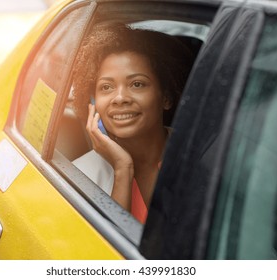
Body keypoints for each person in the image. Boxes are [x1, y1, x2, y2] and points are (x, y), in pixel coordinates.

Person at [72, 23, 194, 223]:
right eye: (106, 87)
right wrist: (123, 169)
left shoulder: (196, 155)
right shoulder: (80, 175)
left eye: (137, 84)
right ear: (93, 101)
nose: (120, 98)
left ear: (166, 98)